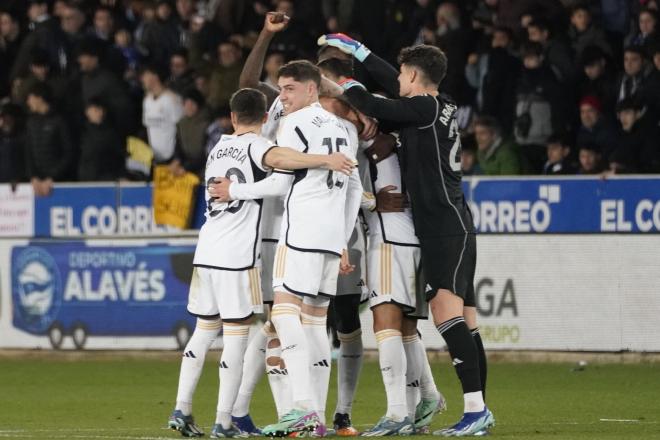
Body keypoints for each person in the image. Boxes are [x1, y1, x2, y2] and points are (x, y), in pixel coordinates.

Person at [319, 34, 493, 436]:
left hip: (442, 227)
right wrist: (361, 52)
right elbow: (390, 90)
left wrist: (340, 77)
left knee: (447, 315)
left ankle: (475, 411)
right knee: (465, 319)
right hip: (454, 221)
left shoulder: (423, 107)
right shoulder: (442, 105)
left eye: (401, 73)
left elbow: (372, 104)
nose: (395, 77)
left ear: (414, 75)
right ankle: (478, 409)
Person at [168, 87, 354, 438]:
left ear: (232, 117)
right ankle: (225, 421)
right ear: (266, 118)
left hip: (205, 250)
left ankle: (182, 408)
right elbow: (283, 163)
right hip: (237, 256)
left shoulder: (217, 147)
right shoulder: (259, 146)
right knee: (237, 338)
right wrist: (323, 159)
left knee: (203, 331)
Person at [24, 83, 74, 195]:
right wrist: (33, 177)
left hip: (58, 184)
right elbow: (29, 153)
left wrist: (52, 177)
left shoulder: (59, 121)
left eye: (30, 98)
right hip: (37, 184)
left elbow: (69, 152)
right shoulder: (31, 123)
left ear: (39, 98)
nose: (28, 102)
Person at [141, 64, 184, 165]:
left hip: (172, 160)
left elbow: (182, 128)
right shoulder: (147, 100)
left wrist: (178, 157)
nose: (143, 79)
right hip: (154, 159)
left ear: (155, 77)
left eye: (145, 75)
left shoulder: (172, 99)